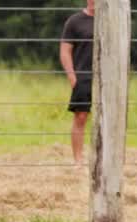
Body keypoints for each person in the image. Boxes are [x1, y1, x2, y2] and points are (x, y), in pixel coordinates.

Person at [60, 0, 95, 165]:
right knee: (80, 117)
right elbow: (65, 51)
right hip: (83, 78)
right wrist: (72, 77)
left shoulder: (111, 20)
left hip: (107, 79)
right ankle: (78, 160)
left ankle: (103, 158)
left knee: (109, 120)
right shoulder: (74, 21)